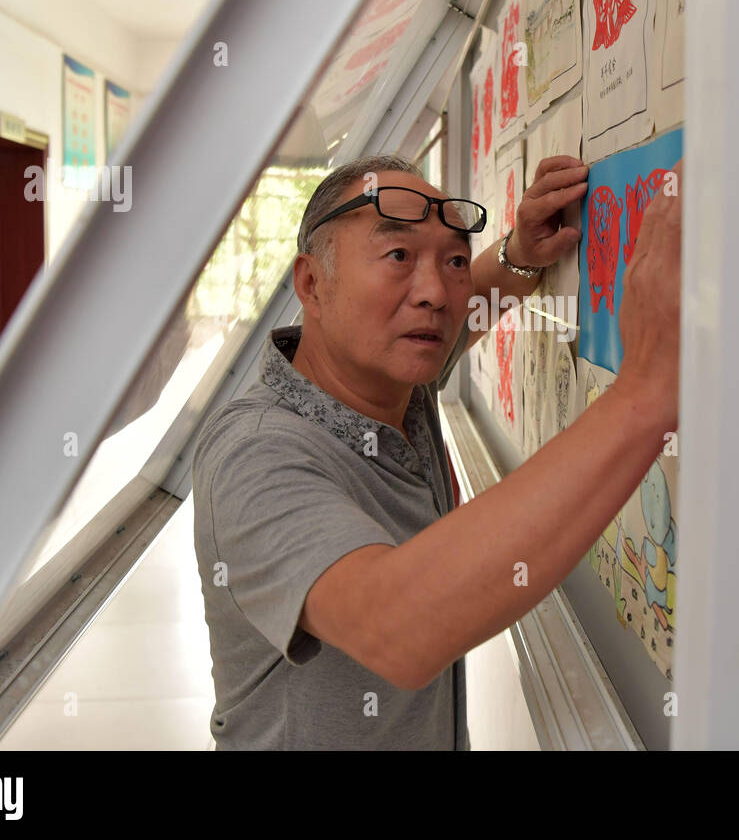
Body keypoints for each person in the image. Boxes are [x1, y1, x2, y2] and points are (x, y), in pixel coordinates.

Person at [193, 151, 683, 749]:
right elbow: (397, 628)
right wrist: (648, 390)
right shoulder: (256, 454)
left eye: (452, 259)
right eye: (398, 255)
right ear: (312, 284)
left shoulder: (394, 379)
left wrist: (520, 254)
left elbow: (467, 296)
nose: (434, 292)